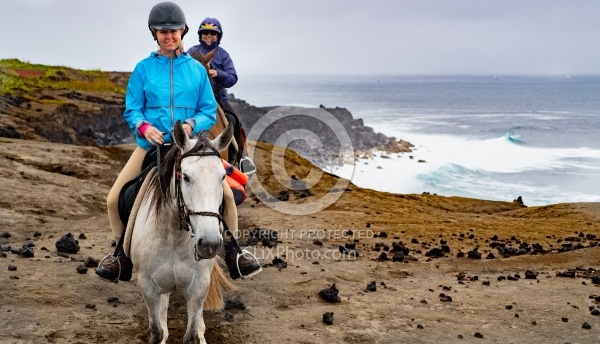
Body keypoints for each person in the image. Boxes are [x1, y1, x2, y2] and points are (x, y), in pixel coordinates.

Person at [96, 1, 261, 282]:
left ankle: (234, 253)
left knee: (228, 200)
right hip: (154, 144)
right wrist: (144, 126)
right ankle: (121, 256)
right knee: (114, 199)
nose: (168, 36)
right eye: (162, 31)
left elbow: (208, 110)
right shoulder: (143, 69)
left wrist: (190, 124)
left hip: (192, 146)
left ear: (182, 32)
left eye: (173, 31)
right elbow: (132, 108)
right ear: (154, 34)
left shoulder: (195, 70)